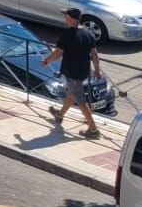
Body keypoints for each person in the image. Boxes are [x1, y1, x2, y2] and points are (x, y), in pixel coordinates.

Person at [41, 9, 102, 138]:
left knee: (80, 101)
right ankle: (60, 114)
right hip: (84, 71)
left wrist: (46, 61)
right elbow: (94, 54)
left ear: (70, 18)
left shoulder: (67, 34)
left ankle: (93, 130)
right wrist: (97, 70)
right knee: (72, 93)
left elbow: (58, 53)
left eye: (66, 16)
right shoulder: (88, 33)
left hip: (72, 72)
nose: (65, 18)